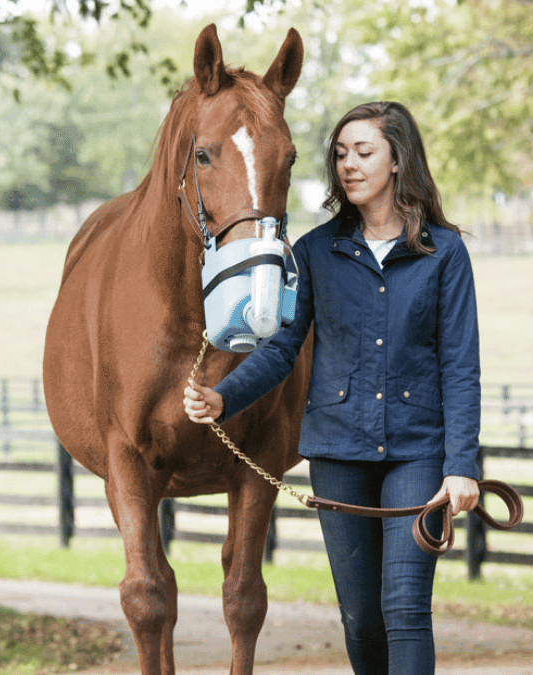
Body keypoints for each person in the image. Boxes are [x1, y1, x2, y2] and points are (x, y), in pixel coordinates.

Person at [183, 101, 481, 675]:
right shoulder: (316, 251)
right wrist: (225, 397)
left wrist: (461, 465)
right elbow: (281, 348)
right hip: (338, 452)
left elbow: (461, 365)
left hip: (419, 453)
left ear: (398, 161)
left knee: (404, 608)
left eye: (364, 152)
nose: (349, 164)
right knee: (361, 619)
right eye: (340, 154)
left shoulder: (445, 254)